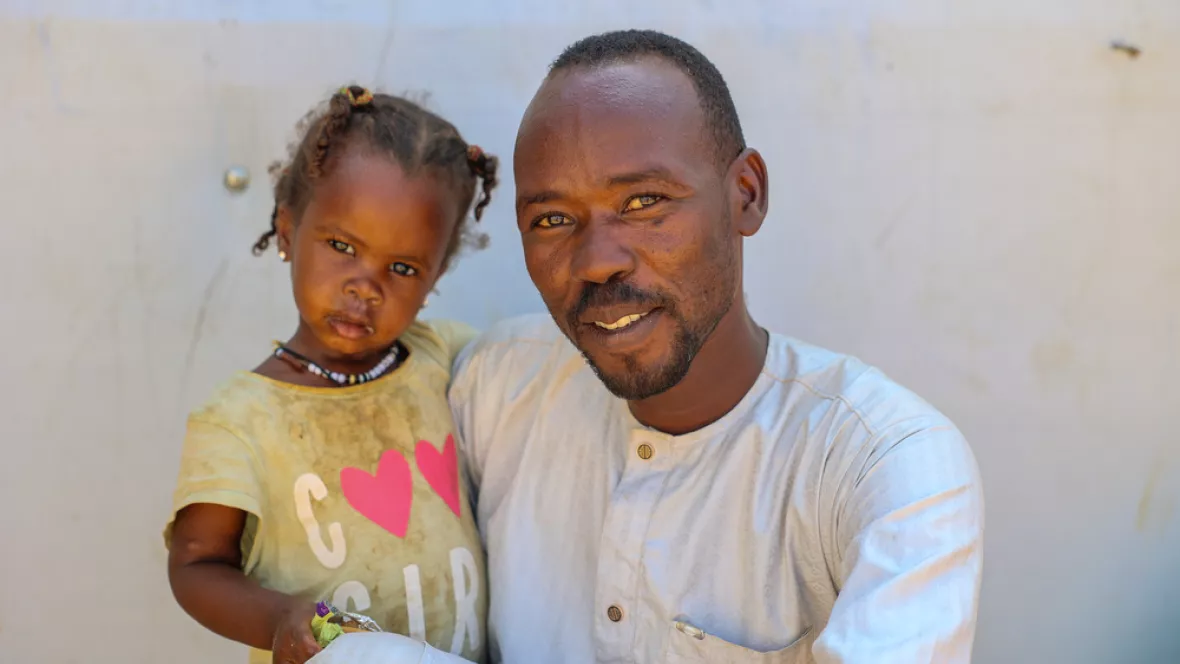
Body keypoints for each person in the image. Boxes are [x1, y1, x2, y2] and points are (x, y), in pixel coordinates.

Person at [449, 30, 984, 663]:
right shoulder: (495, 389)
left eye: (644, 202)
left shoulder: (882, 462)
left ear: (746, 195)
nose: (596, 262)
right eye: (552, 220)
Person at [165, 85, 496, 664]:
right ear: (287, 230)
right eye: (343, 245)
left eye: (403, 268)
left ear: (436, 275)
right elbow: (196, 565)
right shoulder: (239, 419)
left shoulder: (447, 359)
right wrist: (278, 620)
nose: (365, 287)